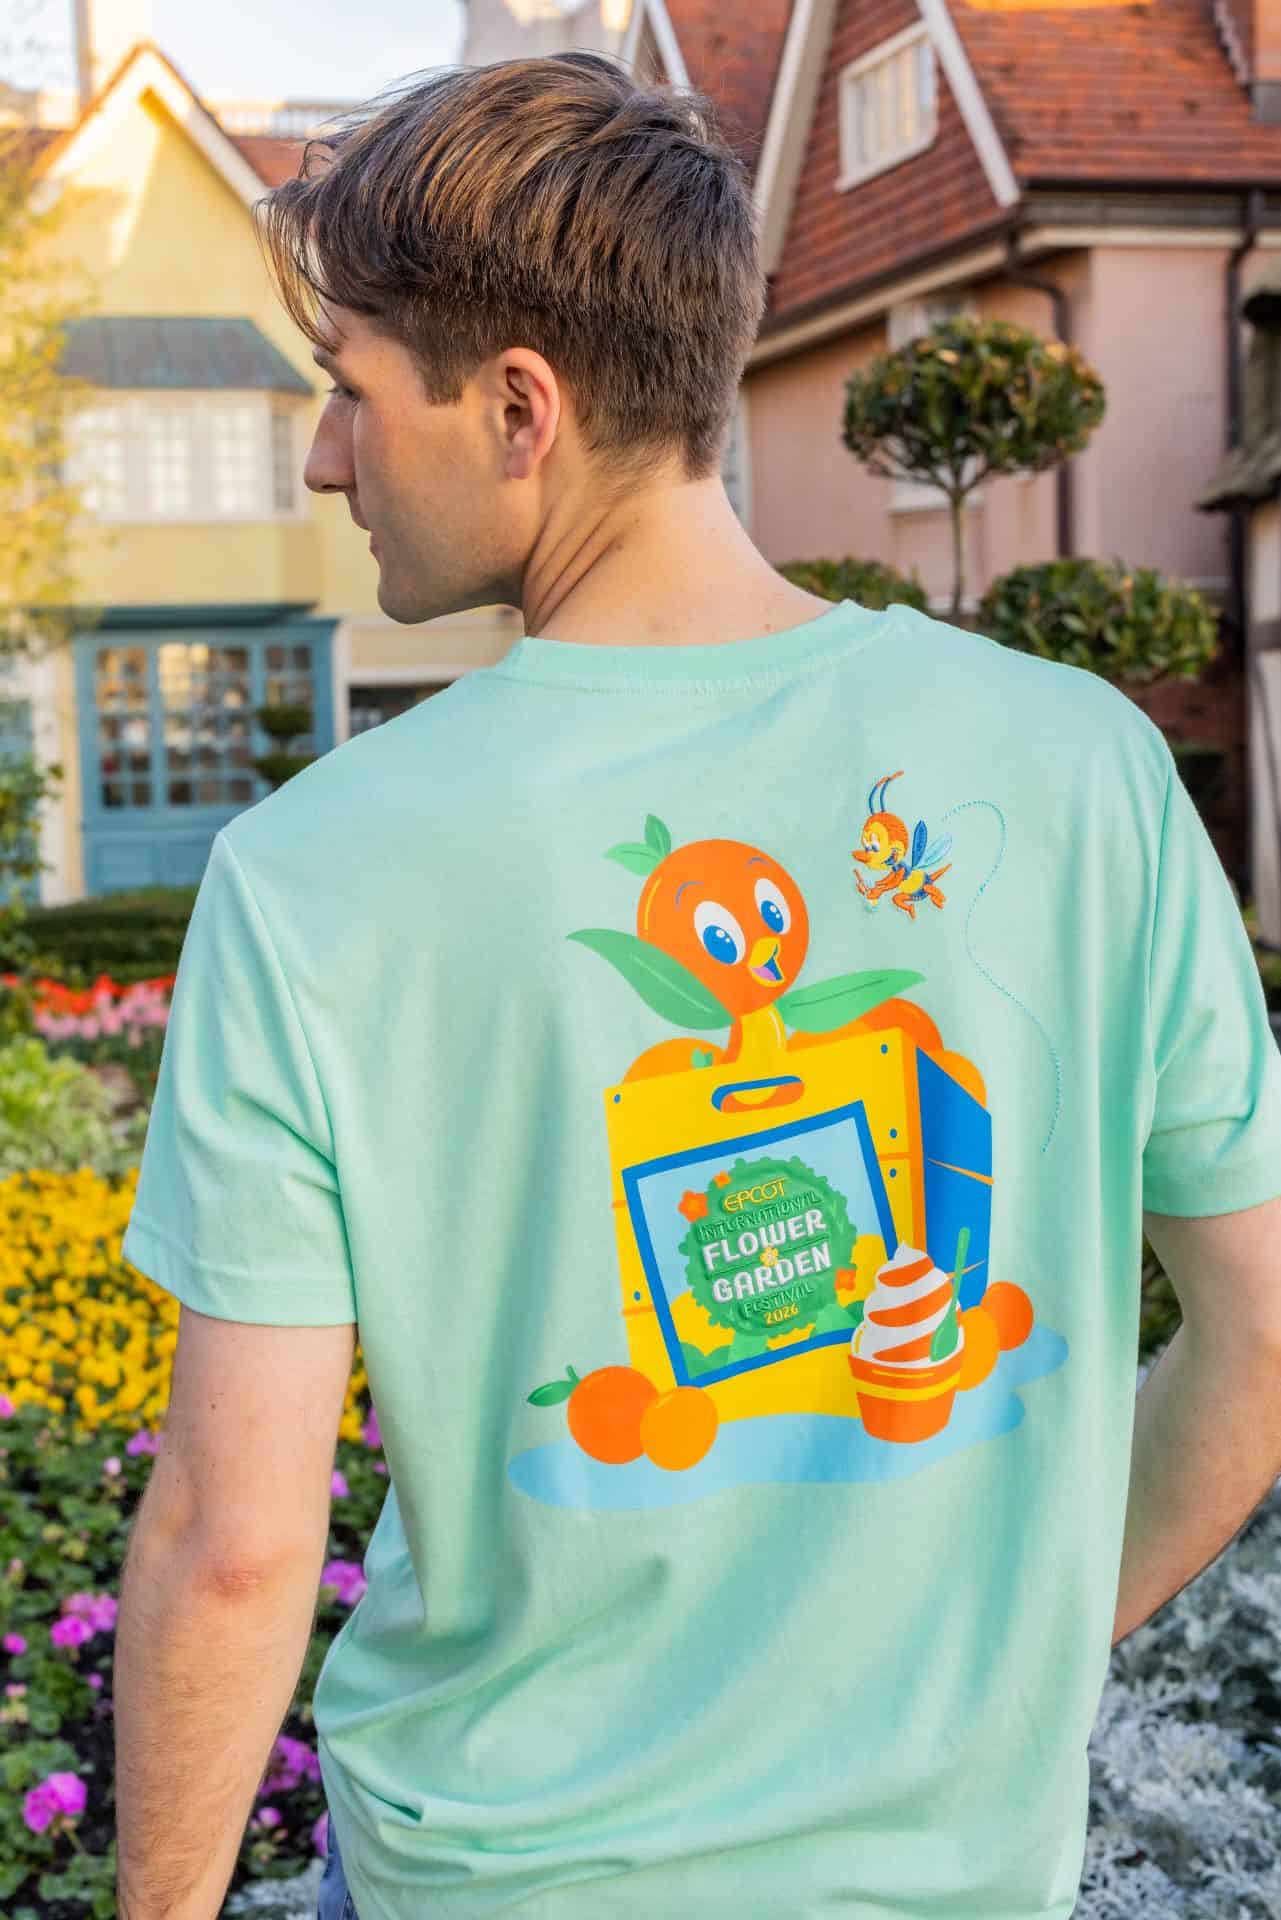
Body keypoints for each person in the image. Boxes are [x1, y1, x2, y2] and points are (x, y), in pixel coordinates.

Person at [113, 49, 1281, 1920]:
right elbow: (1260, 1339)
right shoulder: (1085, 767)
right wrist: (1001, 1676)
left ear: (519, 408)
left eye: (347, 389)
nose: (325, 458)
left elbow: (235, 1547)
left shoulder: (312, 871)